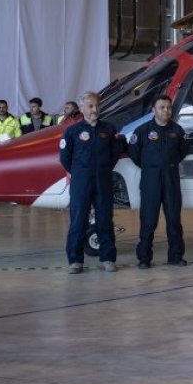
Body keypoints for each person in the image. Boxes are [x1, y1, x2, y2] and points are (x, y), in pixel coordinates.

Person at [60, 91, 124, 274]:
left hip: (103, 179)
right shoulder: (72, 131)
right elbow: (65, 157)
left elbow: (115, 153)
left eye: (96, 105)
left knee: (105, 219)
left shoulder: (109, 129)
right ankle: (75, 261)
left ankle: (108, 258)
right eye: (90, 106)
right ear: (81, 109)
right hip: (81, 181)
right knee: (78, 221)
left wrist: (103, 168)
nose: (94, 109)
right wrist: (80, 172)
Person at [128, 95, 190, 269]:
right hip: (150, 180)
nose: (166, 111)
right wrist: (150, 166)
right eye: (162, 107)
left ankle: (176, 256)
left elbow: (183, 151)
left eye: (169, 107)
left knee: (174, 219)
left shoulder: (177, 131)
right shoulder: (142, 131)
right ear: (153, 110)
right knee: (148, 220)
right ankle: (144, 259)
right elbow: (134, 153)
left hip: (171, 178)